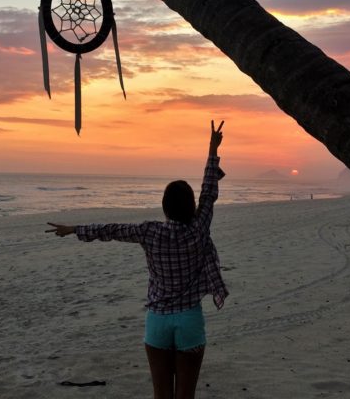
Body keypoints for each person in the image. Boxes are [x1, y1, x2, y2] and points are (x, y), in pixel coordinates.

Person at [46, 120, 228, 399]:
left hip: (158, 321)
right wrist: (212, 150)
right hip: (189, 319)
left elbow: (112, 230)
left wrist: (74, 229)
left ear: (164, 207)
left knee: (161, 395)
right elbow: (209, 192)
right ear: (191, 207)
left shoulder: (149, 232)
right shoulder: (198, 228)